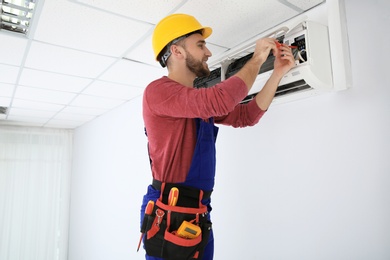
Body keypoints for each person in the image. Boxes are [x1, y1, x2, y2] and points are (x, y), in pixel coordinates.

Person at [139, 13, 295, 260]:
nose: (208, 53)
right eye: (200, 45)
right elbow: (219, 99)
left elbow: (247, 116)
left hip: (198, 213)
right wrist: (256, 59)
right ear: (177, 51)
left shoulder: (196, 102)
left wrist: (278, 74)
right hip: (170, 214)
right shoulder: (158, 92)